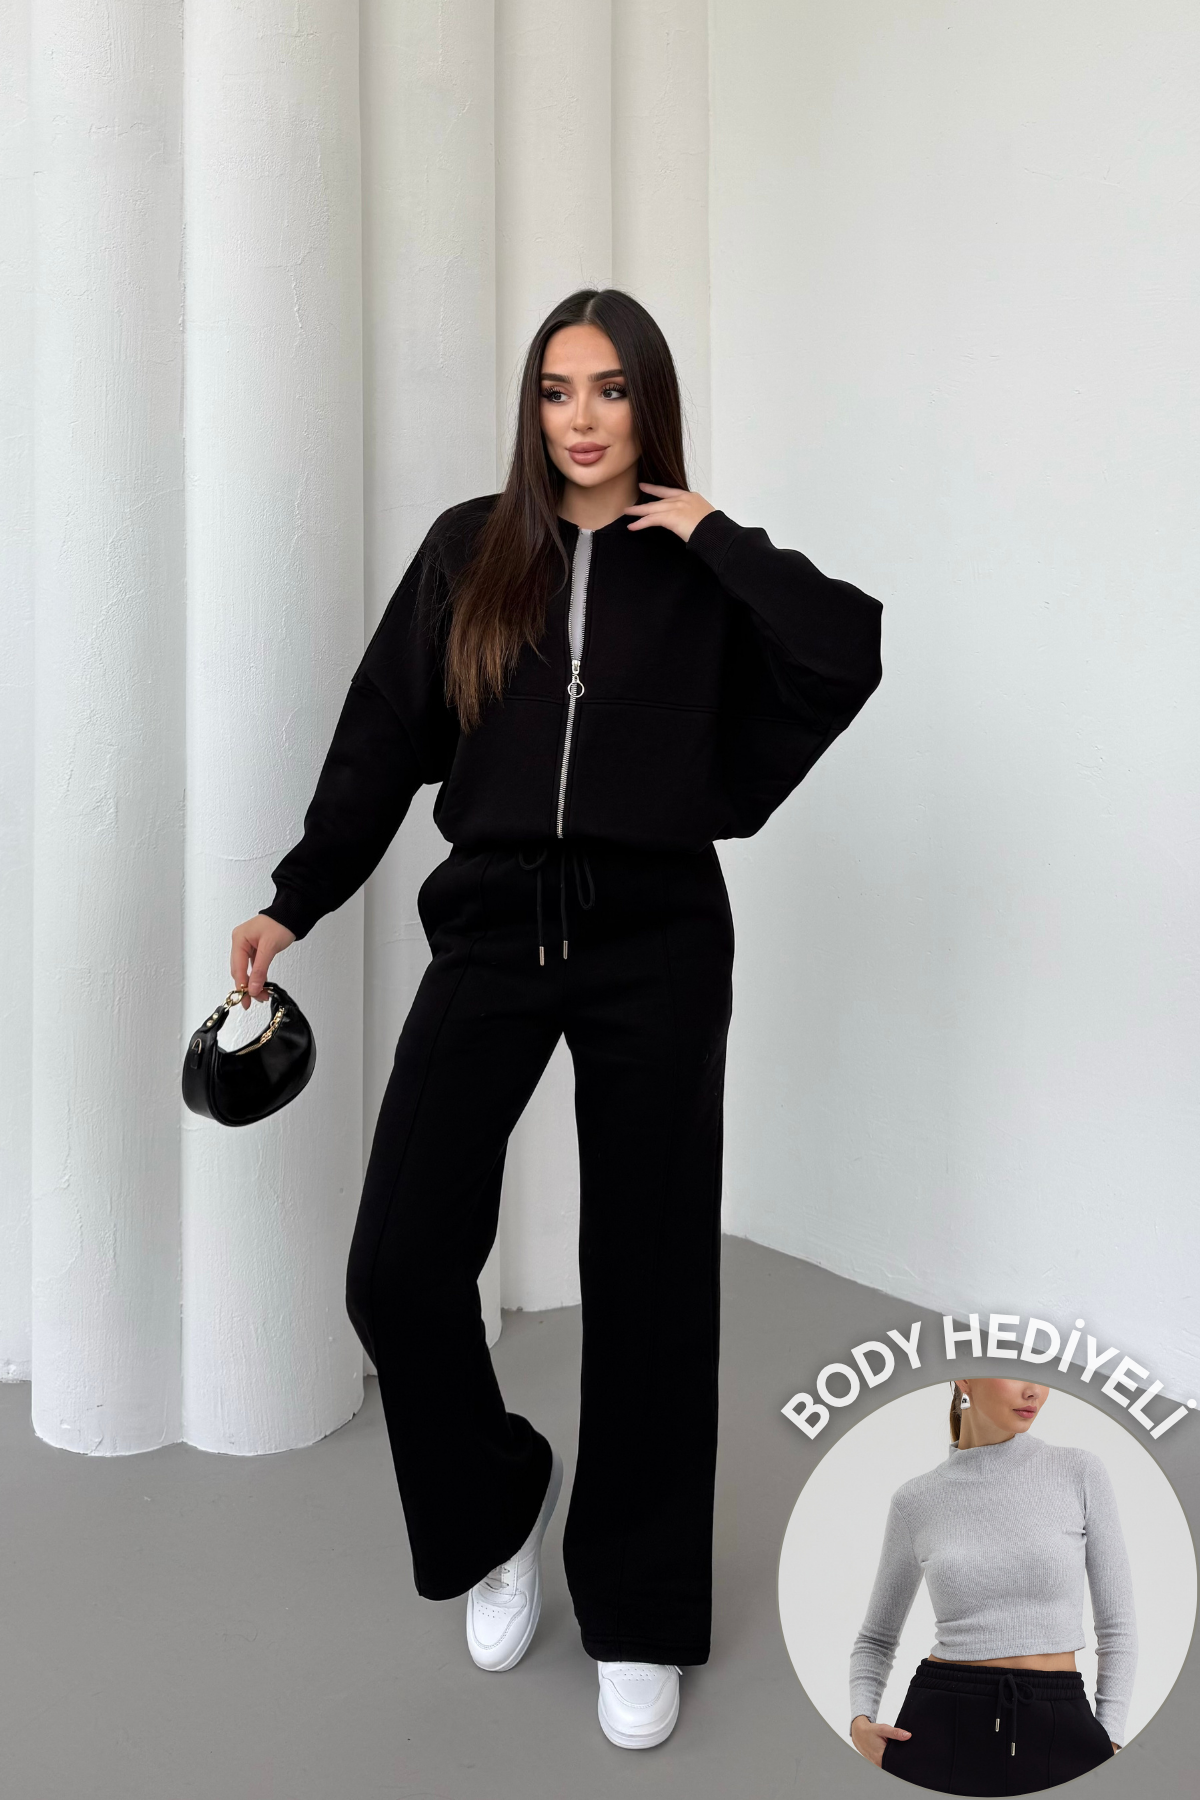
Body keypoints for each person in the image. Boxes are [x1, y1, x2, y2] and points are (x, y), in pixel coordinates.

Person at [230, 286, 882, 1750]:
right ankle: (495, 1509)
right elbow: (381, 736)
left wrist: (715, 533)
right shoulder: (471, 549)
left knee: (651, 1284)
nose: (581, 419)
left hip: (659, 942)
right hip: (493, 929)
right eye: (555, 390)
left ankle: (638, 1612)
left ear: (650, 404)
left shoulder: (702, 568)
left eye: (610, 390)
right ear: (531, 407)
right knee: (399, 1265)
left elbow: (845, 649)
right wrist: (295, 898)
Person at [849, 1378, 1137, 1793]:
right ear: (964, 1375)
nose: (1035, 1391)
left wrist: (1109, 1736)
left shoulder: (1079, 1471)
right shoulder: (915, 1500)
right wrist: (860, 1722)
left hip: (1062, 1725)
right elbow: (876, 1638)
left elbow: (1117, 1627)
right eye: (1016, 1372)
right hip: (941, 1726)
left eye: (1043, 1375)